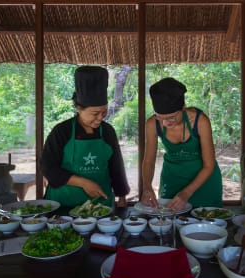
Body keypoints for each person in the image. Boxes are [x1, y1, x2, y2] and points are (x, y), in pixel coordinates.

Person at [40, 66, 130, 208]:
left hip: (101, 207)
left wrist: (122, 197)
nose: (100, 118)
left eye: (104, 111)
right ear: (79, 108)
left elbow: (116, 167)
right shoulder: (62, 131)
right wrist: (83, 183)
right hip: (63, 207)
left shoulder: (107, 132)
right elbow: (48, 168)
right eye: (95, 113)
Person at [141, 77, 222, 210]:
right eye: (160, 118)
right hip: (173, 179)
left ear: (183, 108)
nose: (166, 123)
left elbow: (209, 164)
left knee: (206, 222)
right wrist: (147, 187)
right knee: (168, 222)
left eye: (171, 117)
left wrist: (186, 193)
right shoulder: (152, 124)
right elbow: (149, 161)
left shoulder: (200, 121)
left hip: (203, 182)